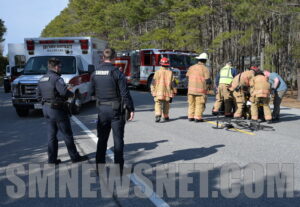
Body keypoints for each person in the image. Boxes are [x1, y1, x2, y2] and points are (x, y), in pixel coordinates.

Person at [91, 48, 134, 174]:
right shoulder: (117, 73)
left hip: (102, 110)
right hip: (116, 110)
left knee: (102, 139)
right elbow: (125, 94)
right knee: (118, 140)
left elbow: (92, 92)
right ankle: (119, 169)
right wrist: (131, 108)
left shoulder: (95, 73)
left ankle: (99, 168)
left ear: (102, 58)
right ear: (114, 58)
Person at [37, 58, 88, 164]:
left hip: (46, 110)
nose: (61, 68)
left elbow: (38, 96)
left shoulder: (42, 79)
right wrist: (72, 93)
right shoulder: (56, 78)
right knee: (67, 134)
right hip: (57, 110)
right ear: (56, 67)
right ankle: (75, 157)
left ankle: (52, 159)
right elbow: (64, 92)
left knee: (51, 135)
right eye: (60, 66)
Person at [186, 52, 211, 122]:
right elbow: (208, 80)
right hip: (200, 91)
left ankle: (190, 117)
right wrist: (208, 88)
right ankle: (197, 117)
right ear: (205, 60)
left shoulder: (191, 67)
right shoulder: (205, 69)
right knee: (199, 104)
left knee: (191, 104)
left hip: (190, 90)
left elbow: (187, 76)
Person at [151, 57, 177, 122]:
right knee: (166, 104)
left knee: (158, 103)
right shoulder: (170, 73)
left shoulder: (157, 72)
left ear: (160, 64)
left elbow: (153, 83)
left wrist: (152, 91)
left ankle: (158, 115)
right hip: (167, 92)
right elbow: (173, 84)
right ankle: (165, 116)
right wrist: (175, 91)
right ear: (168, 64)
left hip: (158, 92)